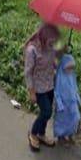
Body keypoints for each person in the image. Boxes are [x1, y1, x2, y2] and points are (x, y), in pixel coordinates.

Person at [24, 23, 60, 151]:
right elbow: (28, 73)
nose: (53, 41)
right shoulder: (32, 50)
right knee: (46, 112)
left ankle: (41, 134)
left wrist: (61, 63)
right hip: (38, 87)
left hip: (50, 85)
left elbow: (53, 63)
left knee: (47, 112)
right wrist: (31, 92)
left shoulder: (51, 47)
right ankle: (33, 133)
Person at [53, 42, 81, 144]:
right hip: (63, 104)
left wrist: (78, 98)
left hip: (72, 102)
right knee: (62, 121)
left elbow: (75, 87)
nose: (70, 70)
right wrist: (59, 103)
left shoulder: (71, 76)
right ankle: (61, 136)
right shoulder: (60, 77)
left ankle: (70, 134)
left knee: (75, 118)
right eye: (68, 67)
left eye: (72, 68)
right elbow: (57, 91)